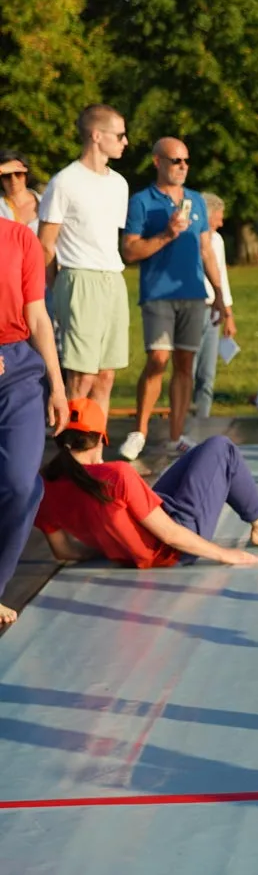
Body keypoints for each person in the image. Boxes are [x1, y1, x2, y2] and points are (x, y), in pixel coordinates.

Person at [35, 401, 258, 568]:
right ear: (100, 439)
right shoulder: (117, 474)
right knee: (221, 448)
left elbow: (64, 551)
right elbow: (170, 535)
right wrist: (224, 554)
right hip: (174, 549)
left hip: (142, 538)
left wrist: (113, 549)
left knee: (196, 457)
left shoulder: (43, 486)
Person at [119, 138, 230, 460]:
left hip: (194, 295)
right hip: (158, 294)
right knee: (158, 360)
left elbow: (207, 250)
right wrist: (167, 234)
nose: (182, 166)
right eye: (174, 160)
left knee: (185, 366)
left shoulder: (196, 200)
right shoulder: (142, 201)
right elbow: (130, 250)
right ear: (157, 162)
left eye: (185, 161)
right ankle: (139, 431)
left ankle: (177, 435)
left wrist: (220, 294)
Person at [37, 104, 131, 414]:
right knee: (82, 376)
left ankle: (95, 456)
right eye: (119, 135)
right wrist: (57, 288)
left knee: (106, 376)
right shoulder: (64, 182)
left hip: (113, 278)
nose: (125, 142)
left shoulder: (119, 183)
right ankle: (72, 454)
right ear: (96, 135)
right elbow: (46, 244)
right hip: (79, 278)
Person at [0, 216, 68, 625]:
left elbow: (38, 316)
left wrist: (57, 386)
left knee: (22, 485)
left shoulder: (19, 238)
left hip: (19, 369)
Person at [192, 193, 236, 419]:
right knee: (187, 370)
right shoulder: (188, 237)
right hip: (191, 307)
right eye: (217, 217)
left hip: (212, 309)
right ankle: (182, 421)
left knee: (207, 372)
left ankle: (203, 419)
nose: (221, 222)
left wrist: (228, 314)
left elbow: (222, 277)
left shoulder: (217, 241)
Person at [0, 150, 42, 232]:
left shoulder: (45, 203)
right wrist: (1, 168)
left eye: (18, 173)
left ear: (26, 175)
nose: (13, 179)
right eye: (7, 175)